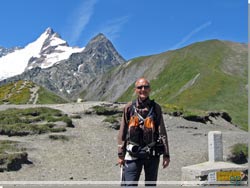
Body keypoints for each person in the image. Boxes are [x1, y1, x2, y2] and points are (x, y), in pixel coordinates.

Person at [117, 77, 170, 186]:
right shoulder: (129, 108)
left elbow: (162, 132)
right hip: (132, 154)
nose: (143, 89)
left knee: (151, 185)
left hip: (152, 154)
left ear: (150, 89)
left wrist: (166, 154)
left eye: (146, 87)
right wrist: (120, 154)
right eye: (140, 87)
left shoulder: (156, 108)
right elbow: (122, 131)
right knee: (129, 184)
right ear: (135, 90)